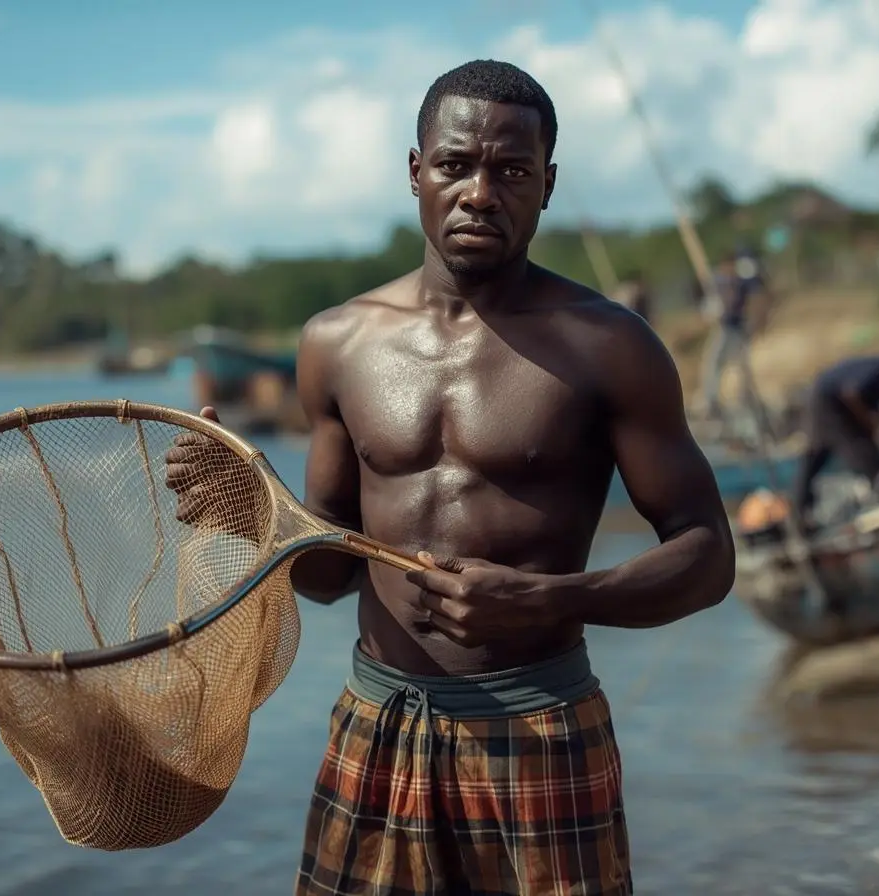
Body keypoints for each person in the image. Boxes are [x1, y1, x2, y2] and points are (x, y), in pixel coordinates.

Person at [167, 59, 733, 895]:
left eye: (512, 171)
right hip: (378, 727)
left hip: (540, 727)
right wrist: (251, 512)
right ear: (415, 172)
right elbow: (329, 575)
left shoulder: (609, 346)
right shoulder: (338, 342)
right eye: (455, 165)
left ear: (547, 184)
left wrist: (551, 600)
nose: (480, 194)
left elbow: (709, 556)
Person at [792, 340, 879, 529]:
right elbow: (852, 393)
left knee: (817, 453)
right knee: (861, 450)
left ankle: (799, 511)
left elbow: (869, 403)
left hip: (824, 400)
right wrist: (867, 422)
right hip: (830, 404)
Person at [701, 245, 772, 420]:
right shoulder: (720, 281)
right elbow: (714, 305)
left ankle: (745, 397)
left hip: (737, 328)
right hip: (725, 328)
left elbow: (753, 296)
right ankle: (712, 400)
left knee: (741, 365)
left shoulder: (740, 282)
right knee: (715, 363)